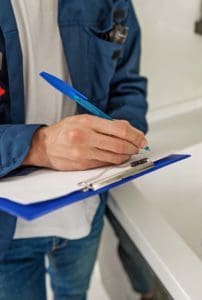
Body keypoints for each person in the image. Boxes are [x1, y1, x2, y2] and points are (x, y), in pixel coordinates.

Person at [0, 0, 154, 299]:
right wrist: (37, 146)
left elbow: (128, 83)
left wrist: (123, 134)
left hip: (86, 209)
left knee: (74, 293)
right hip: (6, 232)